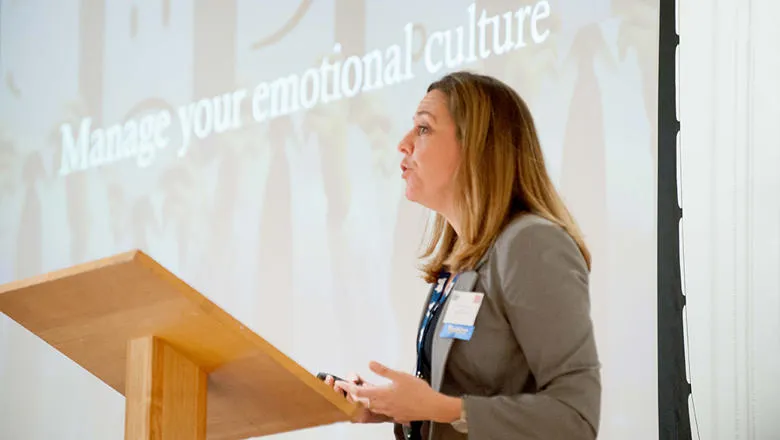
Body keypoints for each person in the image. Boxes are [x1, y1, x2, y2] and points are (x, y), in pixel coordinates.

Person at [324, 71, 601, 439]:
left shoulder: (532, 245)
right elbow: (466, 401)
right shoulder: (463, 261)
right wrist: (393, 408)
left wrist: (434, 407)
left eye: (423, 129)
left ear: (477, 145)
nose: (403, 145)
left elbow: (575, 418)